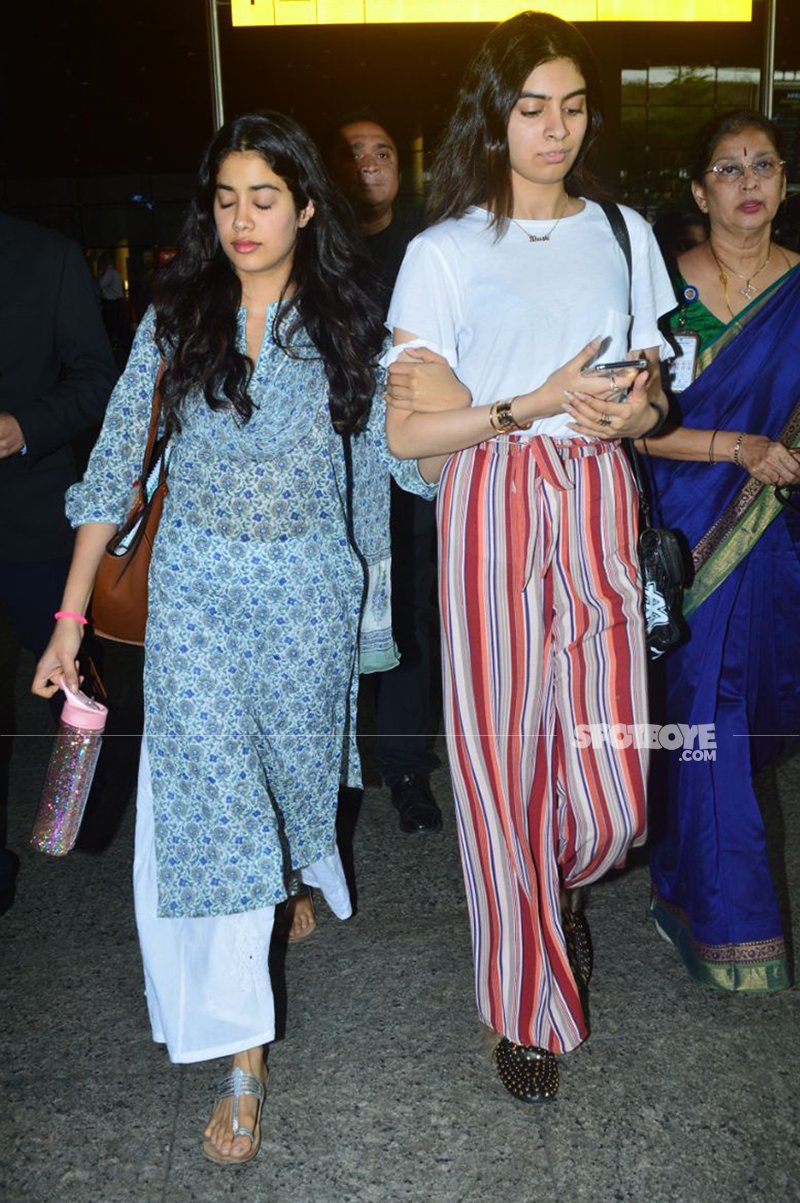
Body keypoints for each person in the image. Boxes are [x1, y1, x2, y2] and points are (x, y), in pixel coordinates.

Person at [32, 111, 436, 1164]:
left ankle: (287, 884)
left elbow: (401, 464)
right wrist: (70, 619)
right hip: (196, 605)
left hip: (307, 603)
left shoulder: (353, 328)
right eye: (224, 199)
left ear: (306, 206)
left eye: (264, 198)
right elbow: (115, 464)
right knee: (213, 827)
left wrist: (480, 412)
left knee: (284, 803)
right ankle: (242, 1065)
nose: (242, 219)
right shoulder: (179, 319)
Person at [383, 10, 676, 1103]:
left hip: (597, 491)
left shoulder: (620, 231)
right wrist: (535, 404)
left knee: (613, 787)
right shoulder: (442, 251)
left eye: (571, 107)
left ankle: (552, 894)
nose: (552, 130)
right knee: (501, 762)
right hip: (491, 500)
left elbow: (653, 392)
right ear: (492, 115)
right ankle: (523, 1005)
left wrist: (628, 417)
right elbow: (410, 434)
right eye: (529, 107)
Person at [641, 110, 800, 993]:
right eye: (728, 169)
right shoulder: (665, 296)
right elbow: (635, 430)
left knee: (741, 719)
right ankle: (728, 924)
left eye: (764, 165)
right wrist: (735, 448)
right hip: (681, 537)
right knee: (709, 716)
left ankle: (673, 875)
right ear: (700, 193)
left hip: (771, 535)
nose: (749, 182)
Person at [328, 116, 442, 837]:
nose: (371, 164)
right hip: (328, 461)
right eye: (355, 154)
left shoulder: (430, 246)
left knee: (411, 615)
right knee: (330, 617)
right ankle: (327, 781)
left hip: (410, 459)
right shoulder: (314, 249)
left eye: (384, 151)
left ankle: (404, 767)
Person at [0, 213, 117, 911]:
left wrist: (26, 427)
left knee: (67, 690)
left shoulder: (49, 257)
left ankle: (98, 824)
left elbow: (98, 378)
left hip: (32, 519)